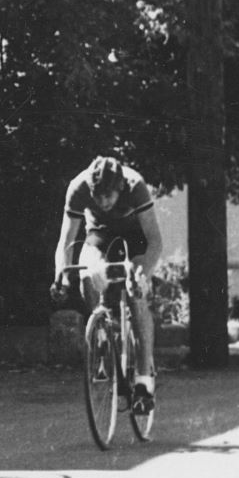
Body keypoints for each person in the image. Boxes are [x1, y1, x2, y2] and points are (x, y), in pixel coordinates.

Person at [54, 154, 165, 413]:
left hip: (136, 235)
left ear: (120, 189)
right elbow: (66, 240)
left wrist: (142, 273)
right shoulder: (78, 187)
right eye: (98, 197)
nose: (103, 202)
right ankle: (102, 330)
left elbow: (155, 241)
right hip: (100, 233)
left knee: (136, 294)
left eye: (109, 196)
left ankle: (143, 381)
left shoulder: (136, 186)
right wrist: (60, 275)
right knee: (85, 274)